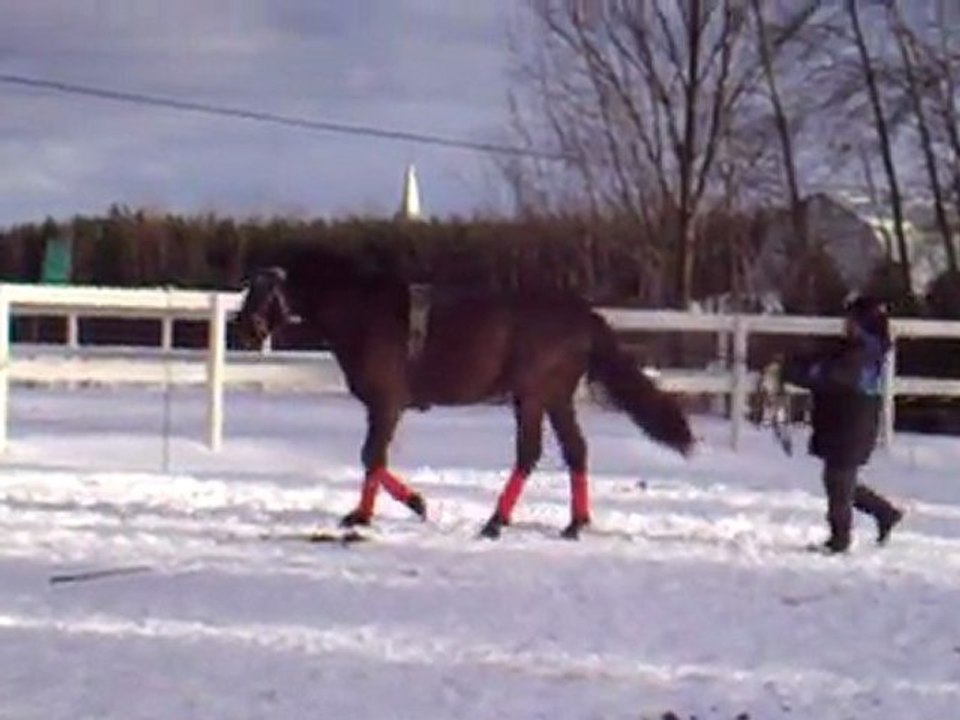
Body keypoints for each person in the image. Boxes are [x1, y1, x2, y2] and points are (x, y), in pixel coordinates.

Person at [781, 295, 904, 553]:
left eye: (852, 320)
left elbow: (828, 376)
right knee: (839, 481)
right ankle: (884, 513)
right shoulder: (857, 348)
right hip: (846, 421)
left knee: (838, 481)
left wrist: (793, 372)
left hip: (851, 424)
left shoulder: (860, 353)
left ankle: (840, 538)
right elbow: (821, 363)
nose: (846, 324)